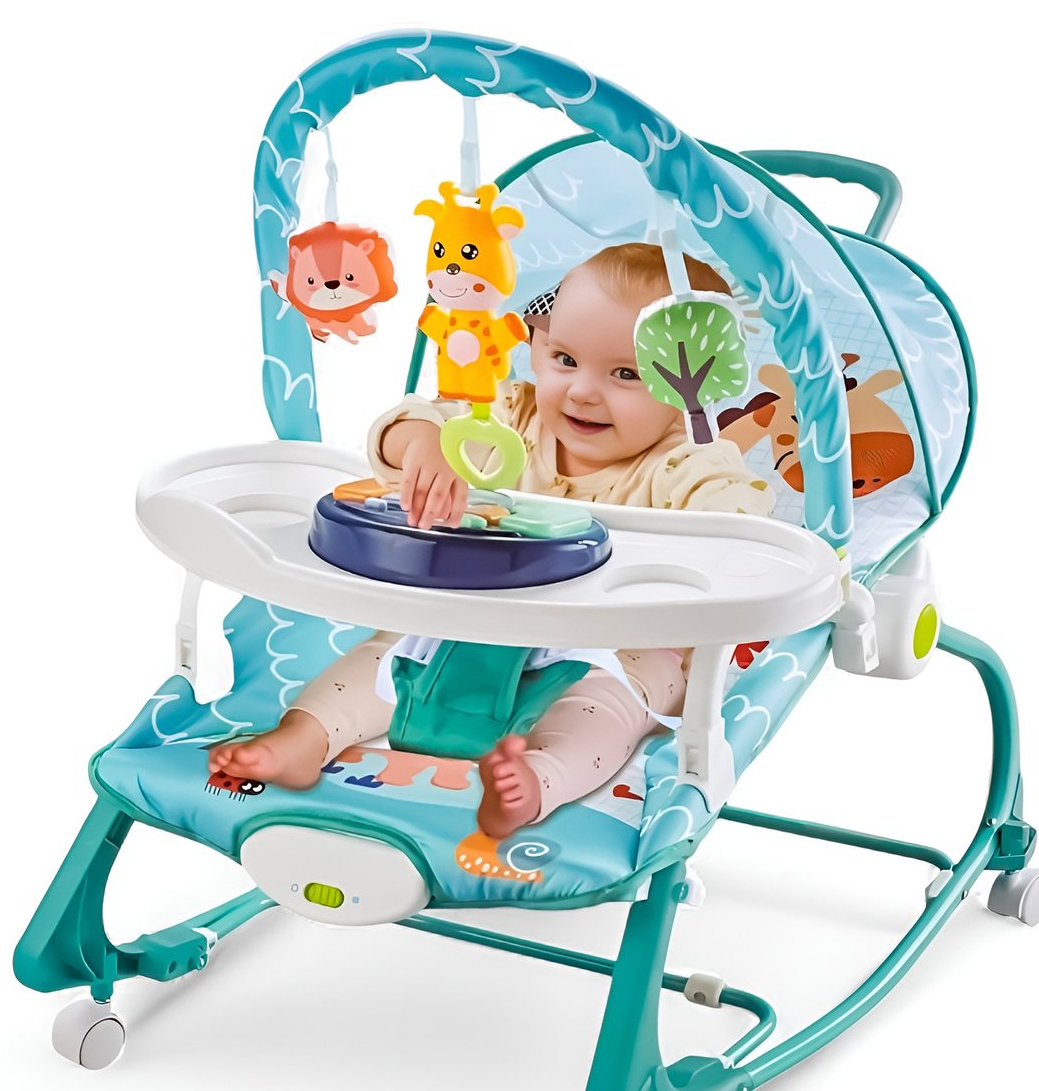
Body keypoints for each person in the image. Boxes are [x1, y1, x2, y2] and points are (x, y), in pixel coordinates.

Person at [209, 244, 774, 837]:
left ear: (690, 387)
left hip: (615, 647)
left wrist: (718, 527)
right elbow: (410, 421)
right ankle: (304, 737)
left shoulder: (686, 461)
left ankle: (536, 780)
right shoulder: (507, 418)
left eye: (626, 374)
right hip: (472, 620)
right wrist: (424, 445)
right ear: (537, 343)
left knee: (613, 703)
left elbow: (741, 525)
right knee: (388, 654)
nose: (582, 391)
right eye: (564, 358)